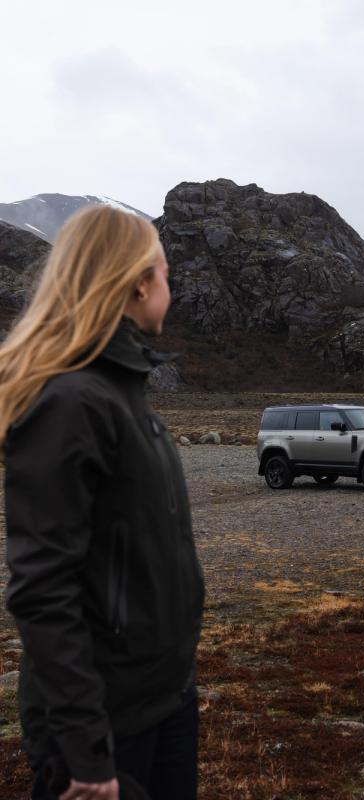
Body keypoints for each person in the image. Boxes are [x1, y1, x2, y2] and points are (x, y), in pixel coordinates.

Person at [1, 205, 205, 800]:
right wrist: (86, 750)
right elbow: (42, 588)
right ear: (140, 282)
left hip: (160, 701)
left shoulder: (122, 391)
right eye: (165, 273)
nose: (170, 287)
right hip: (106, 725)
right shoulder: (72, 403)